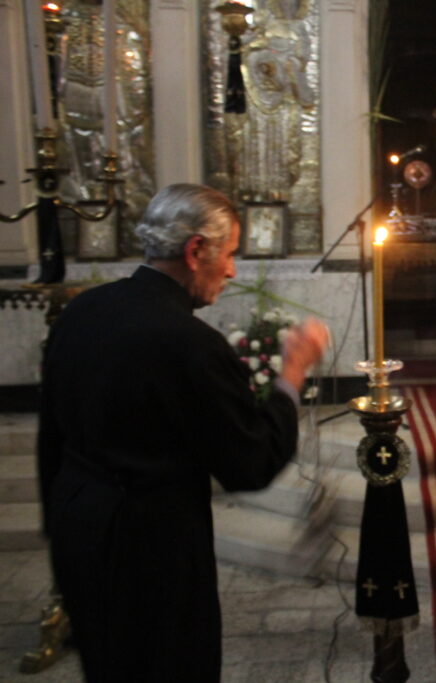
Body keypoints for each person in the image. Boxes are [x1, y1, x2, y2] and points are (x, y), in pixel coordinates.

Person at [37, 184, 329, 682]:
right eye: (230, 253)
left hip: (79, 529)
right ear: (196, 250)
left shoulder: (83, 310)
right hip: (150, 549)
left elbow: (51, 438)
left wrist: (60, 526)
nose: (232, 271)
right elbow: (252, 461)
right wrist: (293, 373)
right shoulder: (190, 343)